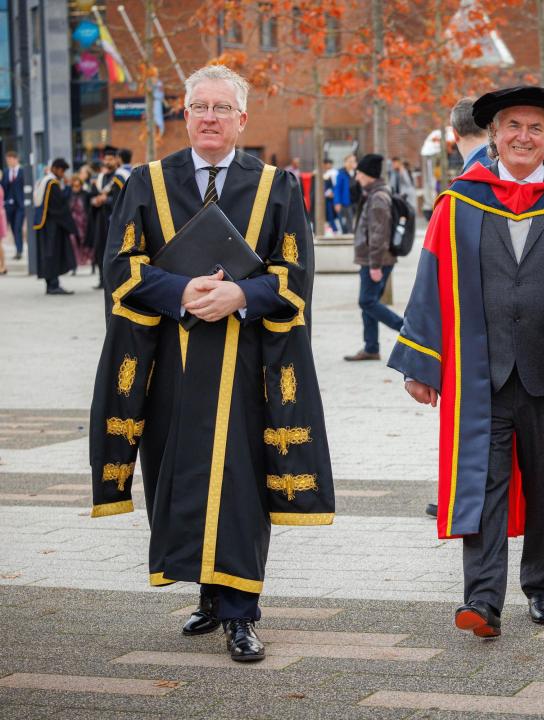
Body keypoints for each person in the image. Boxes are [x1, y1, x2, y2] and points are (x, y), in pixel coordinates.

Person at [88, 64, 335, 663]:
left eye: (222, 108)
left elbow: (295, 275)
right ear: (183, 114)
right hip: (171, 366)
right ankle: (207, 592)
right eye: (199, 106)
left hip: (247, 365)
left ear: (242, 120)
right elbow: (120, 268)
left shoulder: (277, 185)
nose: (209, 117)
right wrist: (181, 291)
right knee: (182, 477)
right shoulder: (146, 182)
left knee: (243, 486)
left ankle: (241, 612)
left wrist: (242, 296)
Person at [389, 86, 544, 639]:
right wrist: (423, 363)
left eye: (536, 128)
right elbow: (430, 285)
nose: (523, 136)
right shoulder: (460, 202)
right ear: (493, 134)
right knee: (483, 483)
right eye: (512, 125)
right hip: (480, 377)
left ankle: (541, 587)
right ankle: (482, 599)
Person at [344, 153, 404, 362]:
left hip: (376, 260)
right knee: (369, 303)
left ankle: (407, 331)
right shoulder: (372, 193)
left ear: (368, 174)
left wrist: (375, 265)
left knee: (367, 301)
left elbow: (379, 233)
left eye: (359, 173)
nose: (357, 177)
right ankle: (371, 348)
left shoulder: (378, 197)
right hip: (371, 259)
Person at [33, 159, 78, 294]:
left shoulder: (43, 180)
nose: (63, 174)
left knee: (48, 253)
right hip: (52, 226)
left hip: (43, 224)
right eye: (62, 170)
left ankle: (50, 284)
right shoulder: (52, 183)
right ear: (56, 169)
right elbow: (60, 204)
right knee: (53, 253)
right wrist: (69, 187)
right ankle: (54, 285)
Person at [89, 146, 127, 290]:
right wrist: (94, 201)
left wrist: (106, 201)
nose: (108, 162)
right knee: (100, 249)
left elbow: (122, 198)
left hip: (115, 220)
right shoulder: (100, 178)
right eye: (106, 159)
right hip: (100, 219)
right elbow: (91, 195)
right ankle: (102, 279)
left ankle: (115, 281)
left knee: (115, 250)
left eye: (111, 159)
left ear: (117, 160)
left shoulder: (120, 177)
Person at [65, 174, 94, 270]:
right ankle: (75, 263)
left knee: (85, 241)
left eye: (78, 186)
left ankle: (88, 261)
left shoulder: (85, 194)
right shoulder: (69, 194)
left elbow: (94, 196)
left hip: (84, 222)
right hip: (73, 223)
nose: (76, 188)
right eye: (74, 186)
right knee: (73, 241)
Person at [2, 150, 26, 260]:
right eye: (7, 160)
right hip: (9, 205)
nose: (8, 162)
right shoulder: (6, 173)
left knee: (17, 227)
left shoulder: (23, 172)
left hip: (20, 205)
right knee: (13, 228)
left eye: (10, 160)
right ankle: (17, 249)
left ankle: (19, 250)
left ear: (15, 159)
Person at [334, 154, 358, 233]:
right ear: (345, 163)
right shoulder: (341, 174)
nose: (352, 163)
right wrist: (337, 202)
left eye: (353, 161)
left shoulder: (357, 173)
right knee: (349, 221)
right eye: (350, 161)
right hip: (347, 202)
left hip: (357, 201)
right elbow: (337, 189)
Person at [322, 158, 339, 233]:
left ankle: (335, 228)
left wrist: (333, 193)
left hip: (332, 196)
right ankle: (332, 227)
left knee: (333, 212)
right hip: (326, 196)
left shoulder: (334, 172)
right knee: (328, 213)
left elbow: (335, 185)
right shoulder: (324, 172)